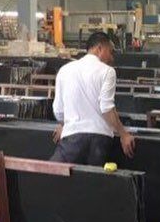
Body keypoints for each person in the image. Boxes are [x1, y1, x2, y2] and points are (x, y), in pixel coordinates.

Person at [51, 31, 136, 165]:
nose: (112, 58)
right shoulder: (107, 72)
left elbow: (58, 111)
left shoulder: (64, 70)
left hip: (71, 141)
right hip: (99, 141)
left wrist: (66, 125)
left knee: (53, 172)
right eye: (110, 52)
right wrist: (124, 134)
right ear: (99, 48)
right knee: (93, 177)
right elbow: (106, 108)